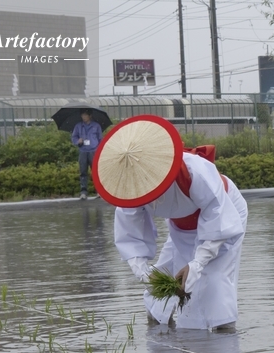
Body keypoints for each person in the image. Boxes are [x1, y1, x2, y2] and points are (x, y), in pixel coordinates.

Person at [92, 115, 248, 331]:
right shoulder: (129, 188)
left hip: (224, 215)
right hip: (181, 224)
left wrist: (197, 264)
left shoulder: (195, 171)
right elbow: (130, 237)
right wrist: (145, 274)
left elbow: (218, 219)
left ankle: (223, 336)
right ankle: (161, 335)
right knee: (162, 283)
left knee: (212, 280)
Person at [71, 109, 103, 200]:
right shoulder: (78, 126)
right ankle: (83, 192)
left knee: (96, 172)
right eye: (82, 115)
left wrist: (99, 150)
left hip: (94, 151)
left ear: (90, 116)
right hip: (83, 151)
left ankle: (99, 191)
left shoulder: (96, 126)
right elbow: (74, 137)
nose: (84, 117)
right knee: (83, 172)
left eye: (85, 115)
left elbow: (100, 139)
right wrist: (78, 141)